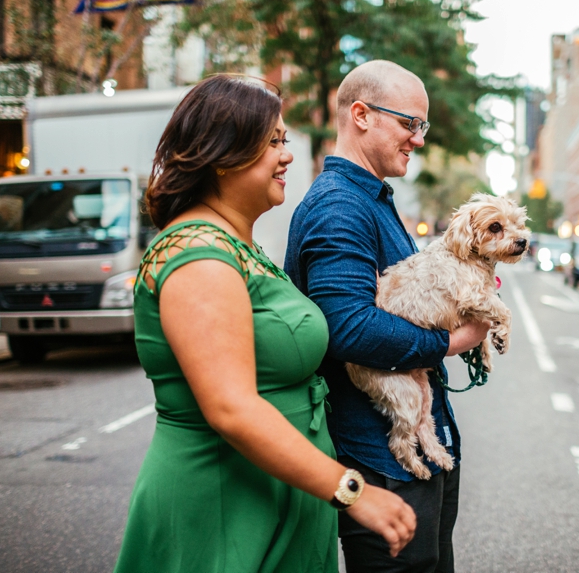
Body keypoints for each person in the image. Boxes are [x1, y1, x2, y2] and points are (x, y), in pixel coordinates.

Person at [114, 74, 415, 573]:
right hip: (223, 506)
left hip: (278, 497)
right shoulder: (197, 254)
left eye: (285, 140)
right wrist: (350, 490)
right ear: (222, 154)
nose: (288, 154)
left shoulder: (240, 247)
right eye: (273, 141)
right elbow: (231, 408)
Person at [285, 60, 490, 573]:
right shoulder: (340, 206)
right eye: (410, 124)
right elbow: (350, 327)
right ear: (361, 115)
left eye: (422, 127)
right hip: (381, 463)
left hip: (420, 447)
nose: (418, 139)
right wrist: (455, 340)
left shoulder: (371, 198)